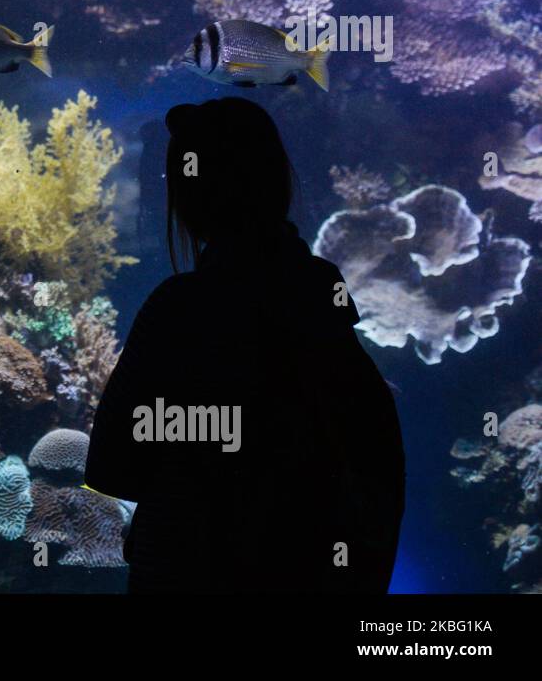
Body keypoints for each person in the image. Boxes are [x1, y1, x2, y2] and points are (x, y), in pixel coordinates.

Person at [84, 98, 405, 593]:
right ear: (278, 183)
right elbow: (378, 469)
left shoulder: (178, 309)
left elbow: (109, 466)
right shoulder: (325, 310)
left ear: (188, 203)